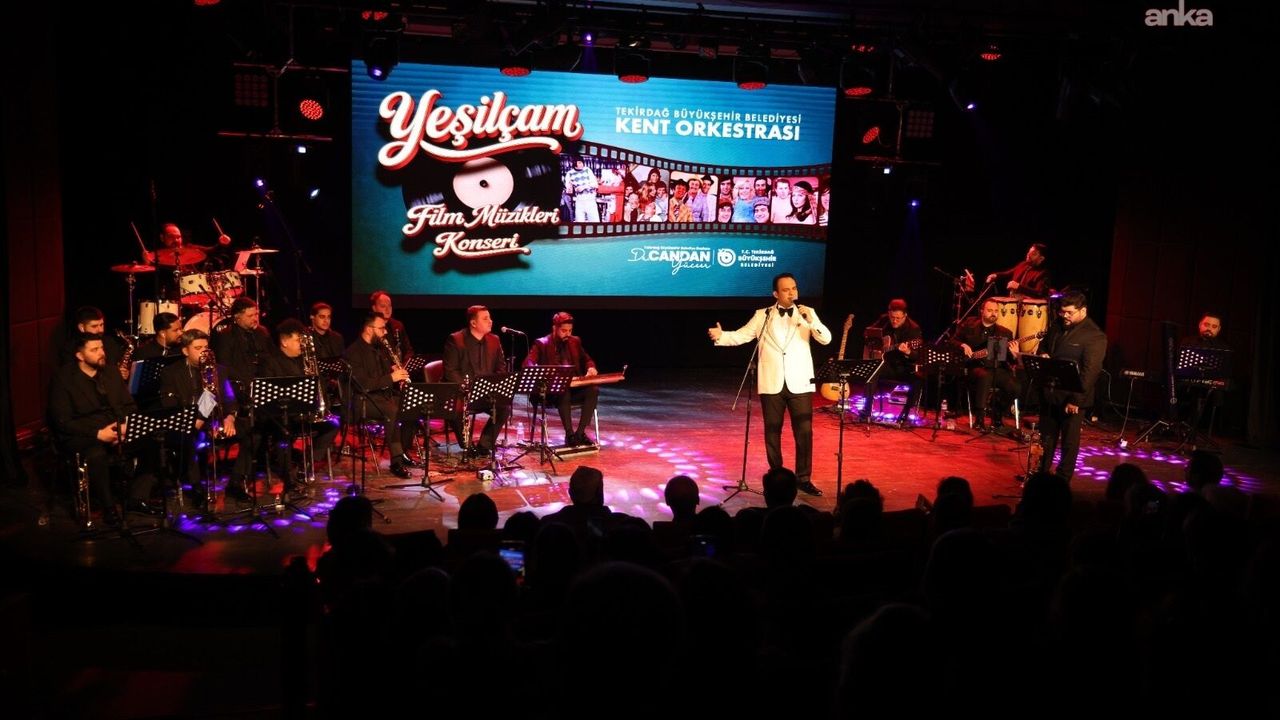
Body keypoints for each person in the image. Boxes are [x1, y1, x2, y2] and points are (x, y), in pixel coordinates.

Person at [708, 273, 831, 496]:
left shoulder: (808, 313)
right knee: (772, 430)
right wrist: (721, 336)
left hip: (800, 382)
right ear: (776, 293)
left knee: (804, 431)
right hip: (772, 381)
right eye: (786, 289)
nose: (791, 292)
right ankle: (777, 476)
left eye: (794, 288)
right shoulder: (762, 315)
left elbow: (826, 339)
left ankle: (804, 478)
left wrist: (811, 321)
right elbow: (742, 336)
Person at [48, 332, 159, 522]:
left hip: (116, 428)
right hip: (84, 434)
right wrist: (97, 434)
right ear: (80, 355)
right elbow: (62, 420)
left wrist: (125, 425)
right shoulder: (64, 379)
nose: (101, 353)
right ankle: (109, 507)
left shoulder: (111, 372)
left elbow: (129, 406)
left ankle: (137, 497)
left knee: (153, 442)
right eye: (94, 350)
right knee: (96, 454)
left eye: (101, 348)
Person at [159, 329, 240, 502]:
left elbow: (230, 400)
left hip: (215, 420)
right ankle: (195, 486)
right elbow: (169, 405)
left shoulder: (219, 370)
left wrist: (230, 418)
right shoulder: (170, 373)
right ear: (185, 351)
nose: (204, 352)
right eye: (198, 348)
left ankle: (236, 481)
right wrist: (197, 418)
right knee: (192, 436)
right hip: (189, 422)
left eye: (206, 347)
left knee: (252, 431)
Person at [1036, 289, 1107, 481]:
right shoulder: (1057, 326)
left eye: (1069, 312)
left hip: (1072, 397)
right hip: (1051, 392)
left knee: (1068, 442)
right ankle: (1041, 475)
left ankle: (1062, 480)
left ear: (1083, 311)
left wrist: (1076, 400)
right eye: (1062, 311)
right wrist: (1043, 354)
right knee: (1046, 438)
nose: (1064, 316)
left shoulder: (1094, 335)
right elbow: (1044, 346)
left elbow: (1090, 371)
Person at [345, 312, 417, 478]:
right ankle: (396, 462)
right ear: (369, 329)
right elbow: (363, 384)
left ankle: (402, 451)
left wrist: (394, 370)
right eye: (382, 328)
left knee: (413, 404)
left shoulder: (380, 348)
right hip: (364, 400)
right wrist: (391, 377)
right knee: (392, 411)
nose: (385, 332)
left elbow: (384, 374)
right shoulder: (353, 352)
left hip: (384, 395)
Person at [443, 305, 511, 456]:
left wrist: (494, 387)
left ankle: (484, 444)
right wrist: (467, 389)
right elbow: (451, 371)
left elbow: (500, 369)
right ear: (473, 323)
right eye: (485, 318)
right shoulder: (456, 340)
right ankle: (467, 446)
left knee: (503, 407)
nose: (490, 321)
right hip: (462, 392)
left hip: (485, 392)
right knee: (457, 409)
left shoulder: (494, 340)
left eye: (490, 318)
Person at [524, 312, 599, 446]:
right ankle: (569, 435)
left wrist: (591, 368)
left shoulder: (575, 341)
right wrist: (538, 371)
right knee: (563, 391)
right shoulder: (542, 343)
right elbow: (528, 363)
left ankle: (579, 434)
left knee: (593, 390)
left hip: (573, 388)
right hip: (552, 392)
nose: (567, 334)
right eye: (564, 331)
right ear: (554, 328)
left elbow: (587, 360)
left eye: (570, 330)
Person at [953, 298, 1021, 432]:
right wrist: (962, 345)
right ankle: (979, 419)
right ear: (982, 311)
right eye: (990, 310)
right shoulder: (969, 325)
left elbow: (1010, 361)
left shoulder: (1005, 333)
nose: (994, 313)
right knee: (985, 376)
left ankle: (998, 414)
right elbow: (952, 341)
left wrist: (1015, 355)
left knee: (1015, 387)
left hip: (997, 368)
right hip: (975, 367)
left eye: (996, 311)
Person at [860, 299, 924, 426]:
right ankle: (866, 411)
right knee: (873, 369)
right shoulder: (884, 320)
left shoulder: (913, 329)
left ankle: (905, 415)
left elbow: (918, 356)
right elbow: (867, 333)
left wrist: (907, 352)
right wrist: (875, 344)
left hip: (902, 367)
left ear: (905, 316)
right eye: (892, 317)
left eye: (898, 318)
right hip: (886, 365)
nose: (894, 321)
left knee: (917, 378)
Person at [1178, 310, 1228, 431]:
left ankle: (1194, 428)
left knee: (1211, 393)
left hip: (1208, 385)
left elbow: (1224, 373)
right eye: (1207, 325)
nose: (1209, 329)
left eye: (1214, 326)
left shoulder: (1223, 348)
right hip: (1186, 381)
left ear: (1218, 329)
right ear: (1200, 325)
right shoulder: (1187, 342)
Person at [985, 243, 1052, 299]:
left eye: (1033, 254)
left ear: (1041, 258)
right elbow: (1008, 273)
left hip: (1029, 308)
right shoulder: (1023, 264)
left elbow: (1040, 293)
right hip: (1013, 303)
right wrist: (996, 275)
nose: (1028, 255)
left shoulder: (1043, 273)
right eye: (1029, 252)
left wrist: (1018, 287)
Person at [370, 290, 413, 363]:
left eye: (389, 306)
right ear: (374, 308)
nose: (388, 309)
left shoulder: (398, 325)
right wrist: (389, 367)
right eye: (383, 306)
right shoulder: (370, 327)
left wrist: (405, 365)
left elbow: (408, 350)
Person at [566, 157, 600, 222]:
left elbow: (596, 185)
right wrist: (572, 189)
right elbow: (569, 190)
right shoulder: (569, 173)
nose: (581, 164)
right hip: (579, 200)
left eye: (582, 162)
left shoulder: (587, 170)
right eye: (579, 163)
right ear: (574, 163)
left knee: (594, 222)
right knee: (579, 222)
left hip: (590, 199)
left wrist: (584, 187)